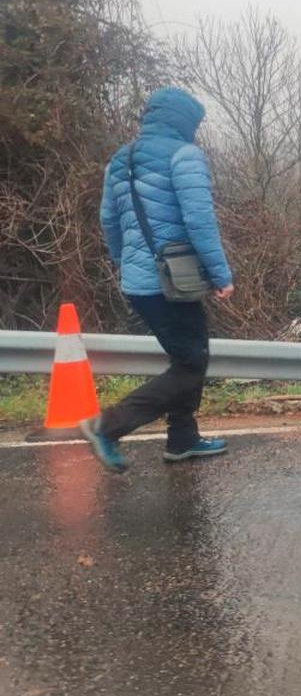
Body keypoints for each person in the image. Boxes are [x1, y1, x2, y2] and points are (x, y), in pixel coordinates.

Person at [79, 87, 234, 473]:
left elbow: (109, 222)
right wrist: (220, 274)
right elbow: (199, 221)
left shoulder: (120, 159)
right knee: (191, 365)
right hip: (173, 281)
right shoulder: (185, 156)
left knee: (190, 356)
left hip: (139, 282)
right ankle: (107, 427)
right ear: (185, 122)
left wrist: (125, 262)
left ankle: (183, 439)